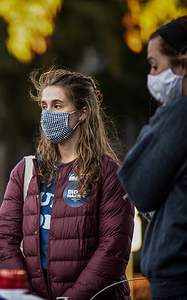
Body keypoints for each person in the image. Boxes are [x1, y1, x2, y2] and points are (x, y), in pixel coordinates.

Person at [0, 68, 134, 300]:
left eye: (57, 105)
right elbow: (5, 239)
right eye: (44, 106)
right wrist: (25, 295)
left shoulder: (109, 173)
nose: (48, 114)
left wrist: (72, 298)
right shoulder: (26, 171)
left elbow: (112, 250)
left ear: (82, 113)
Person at [117, 16, 187, 299]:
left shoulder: (179, 115)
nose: (152, 76)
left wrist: (165, 115)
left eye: (155, 65)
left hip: (177, 276)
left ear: (182, 63)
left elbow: (139, 187)